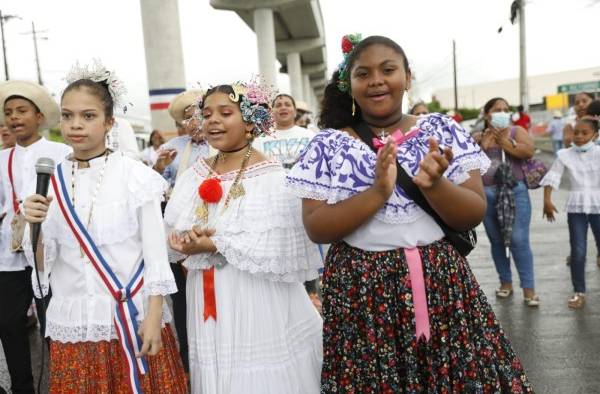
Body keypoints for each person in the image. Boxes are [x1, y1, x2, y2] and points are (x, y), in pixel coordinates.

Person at [287, 34, 532, 392]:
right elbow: (317, 227)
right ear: (349, 84)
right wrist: (378, 192)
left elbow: (472, 213)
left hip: (440, 281)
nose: (376, 80)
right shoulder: (327, 144)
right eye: (363, 73)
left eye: (388, 69)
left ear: (408, 76)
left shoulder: (441, 130)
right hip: (360, 290)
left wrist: (434, 185)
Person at [22, 62, 187, 393]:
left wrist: (154, 317)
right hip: (75, 321)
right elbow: (43, 267)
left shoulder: (135, 176)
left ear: (109, 121)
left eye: (88, 116)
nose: (75, 125)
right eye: (68, 116)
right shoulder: (48, 180)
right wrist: (33, 226)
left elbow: (155, 254)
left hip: (134, 318)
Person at [164, 82, 323, 393]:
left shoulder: (271, 175)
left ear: (250, 122)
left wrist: (213, 244)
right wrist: (181, 241)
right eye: (207, 113)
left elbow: (278, 248)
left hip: (254, 293)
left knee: (255, 370)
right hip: (207, 291)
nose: (213, 121)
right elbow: (174, 228)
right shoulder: (194, 173)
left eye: (225, 113)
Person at [0, 80, 71, 394]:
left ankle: (64, 382)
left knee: (53, 322)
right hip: (9, 253)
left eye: (22, 111)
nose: (14, 117)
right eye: (8, 112)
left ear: (39, 116)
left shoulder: (61, 153)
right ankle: (22, 387)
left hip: (49, 250)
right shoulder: (2, 158)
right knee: (9, 324)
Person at [154, 89, 211, 375]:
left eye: (199, 115)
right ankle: (188, 359)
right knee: (182, 299)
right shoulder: (172, 148)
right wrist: (158, 167)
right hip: (177, 234)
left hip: (211, 231)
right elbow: (155, 187)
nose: (194, 122)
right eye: (188, 117)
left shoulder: (221, 144)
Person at [474, 97, 540, 306]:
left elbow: (528, 151)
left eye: (505, 109)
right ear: (487, 114)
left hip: (514, 191)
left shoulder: (516, 132)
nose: (502, 112)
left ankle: (529, 290)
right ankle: (505, 282)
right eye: (497, 109)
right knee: (496, 240)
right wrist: (483, 145)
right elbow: (468, 163)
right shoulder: (477, 136)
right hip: (487, 192)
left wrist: (504, 142)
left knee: (518, 239)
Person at [541, 117, 600, 309]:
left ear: (595, 135)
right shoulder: (565, 154)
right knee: (578, 250)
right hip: (576, 208)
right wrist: (547, 200)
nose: (580, 137)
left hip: (598, 206)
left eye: (585, 133)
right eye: (576, 132)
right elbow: (553, 175)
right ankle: (579, 292)